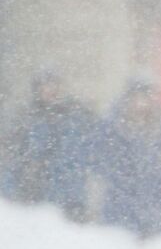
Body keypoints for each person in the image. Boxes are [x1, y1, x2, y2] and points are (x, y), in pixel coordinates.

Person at [2, 70, 98, 221]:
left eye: (54, 85)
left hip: (71, 197)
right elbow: (14, 159)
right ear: (37, 89)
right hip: (37, 195)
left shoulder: (77, 116)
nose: (50, 90)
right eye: (45, 86)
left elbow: (89, 152)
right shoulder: (26, 119)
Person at [95, 78, 161, 238]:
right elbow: (103, 160)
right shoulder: (113, 127)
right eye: (137, 97)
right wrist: (124, 176)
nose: (141, 103)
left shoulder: (160, 127)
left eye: (146, 98)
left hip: (152, 202)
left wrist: (157, 172)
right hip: (120, 203)